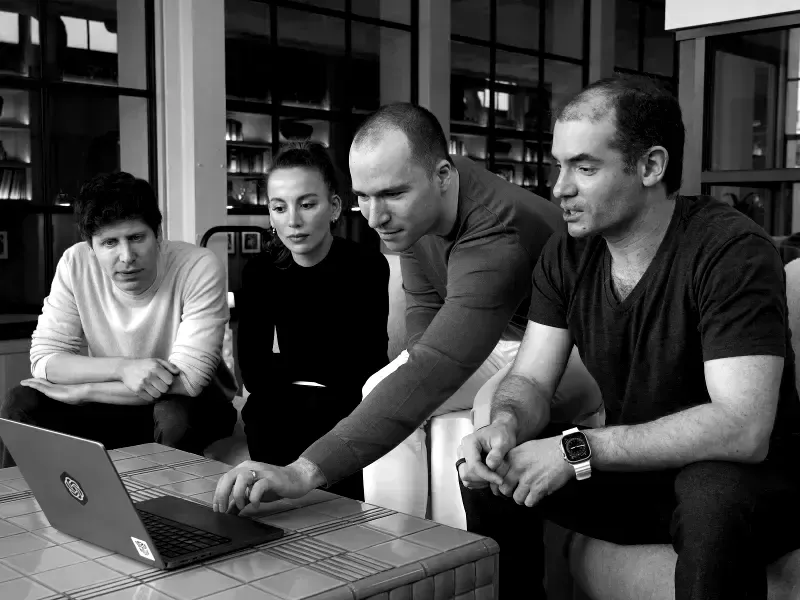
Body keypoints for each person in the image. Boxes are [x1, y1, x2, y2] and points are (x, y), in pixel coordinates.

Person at [456, 75, 800, 600]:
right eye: (559, 164)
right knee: (495, 473)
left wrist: (576, 450)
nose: (559, 187)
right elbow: (529, 376)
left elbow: (743, 428)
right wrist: (505, 425)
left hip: (749, 482)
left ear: (651, 166)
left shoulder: (730, 251)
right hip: (642, 472)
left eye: (584, 168)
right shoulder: (568, 253)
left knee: (711, 494)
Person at [212, 103, 603, 517]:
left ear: (442, 177)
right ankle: (393, 545)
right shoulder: (422, 204)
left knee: (478, 414)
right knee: (388, 386)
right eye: (364, 196)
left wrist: (304, 471)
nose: (376, 217)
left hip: (574, 347)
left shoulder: (493, 235)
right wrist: (413, 374)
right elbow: (425, 313)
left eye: (393, 194)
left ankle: (462, 560)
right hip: (499, 338)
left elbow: (438, 362)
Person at [0, 172, 238, 467]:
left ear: (158, 234)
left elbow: (188, 381)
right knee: (21, 402)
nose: (126, 256)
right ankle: (18, 507)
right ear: (91, 246)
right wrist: (123, 368)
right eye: (110, 242)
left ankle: (171, 511)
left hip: (194, 405)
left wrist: (84, 391)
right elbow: (45, 360)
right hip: (116, 401)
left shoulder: (198, 265)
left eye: (136, 237)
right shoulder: (75, 264)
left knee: (173, 414)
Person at [237, 142, 389, 501]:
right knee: (265, 416)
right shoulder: (260, 271)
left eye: (307, 204)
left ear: (334, 207)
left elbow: (365, 368)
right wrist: (313, 370)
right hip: (278, 404)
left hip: (345, 406)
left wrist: (292, 369)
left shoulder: (365, 267)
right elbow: (254, 372)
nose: (293, 221)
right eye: (279, 207)